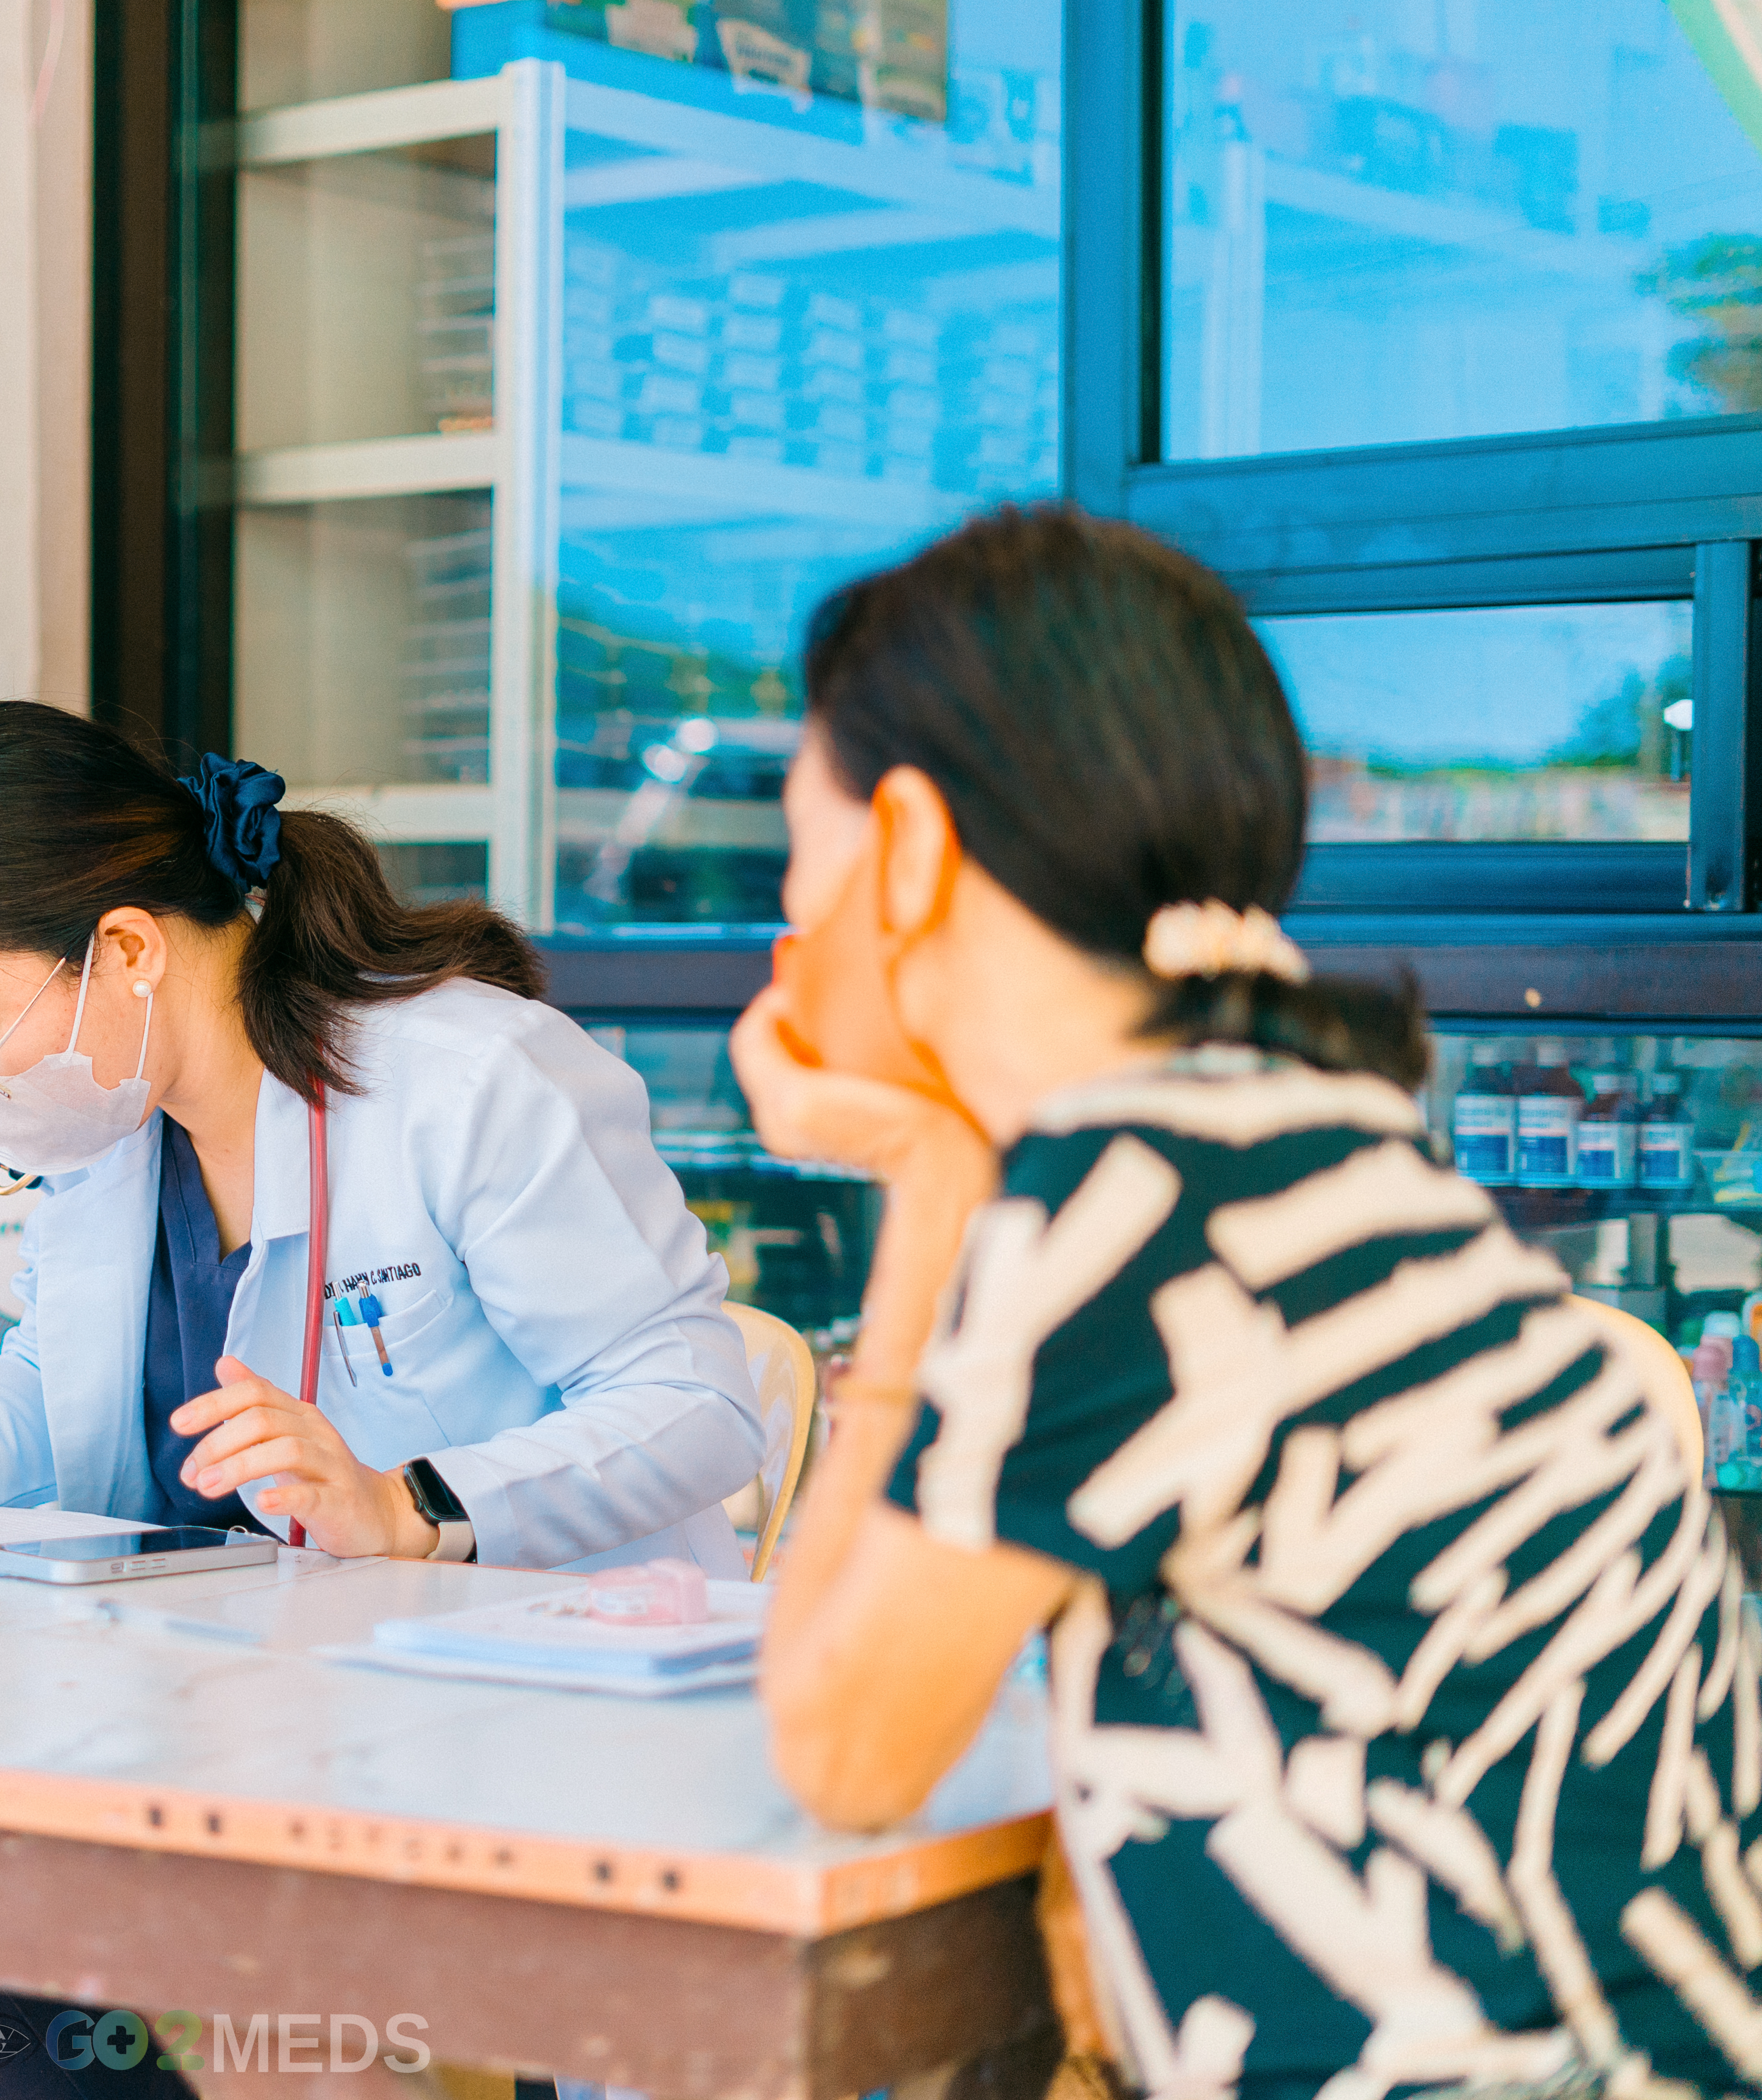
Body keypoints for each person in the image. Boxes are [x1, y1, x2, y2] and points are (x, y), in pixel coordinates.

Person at [744, 506, 1756, 2099]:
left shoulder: (1121, 1187)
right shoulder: (1306, 1130)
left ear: (914, 853)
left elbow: (840, 1751)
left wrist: (932, 1182)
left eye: (797, 846)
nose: (779, 919)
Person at [0, 700, 765, 2100]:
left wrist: (413, 1508)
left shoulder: (470, 1083)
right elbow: (57, 1392)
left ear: (127, 949)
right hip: (196, 1731)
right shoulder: (111, 1134)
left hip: (474, 1743)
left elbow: (694, 1401)